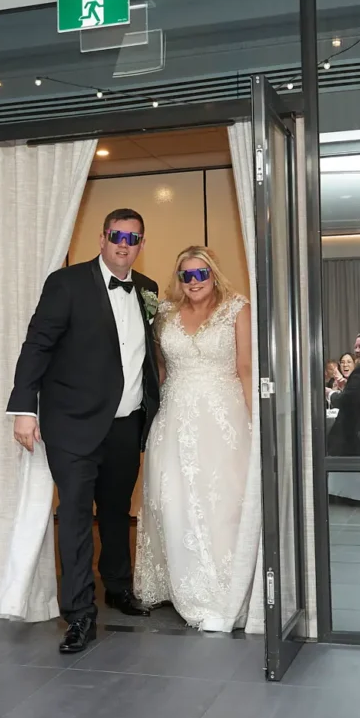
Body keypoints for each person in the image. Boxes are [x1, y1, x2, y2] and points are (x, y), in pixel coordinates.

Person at [7, 208, 160, 654]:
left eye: (133, 238)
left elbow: (147, 358)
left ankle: (117, 586)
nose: (123, 244)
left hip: (127, 423)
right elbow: (37, 344)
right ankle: (79, 614)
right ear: (102, 237)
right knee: (75, 514)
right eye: (117, 235)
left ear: (141, 244)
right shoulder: (67, 283)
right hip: (72, 423)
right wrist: (23, 408)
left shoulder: (147, 290)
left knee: (115, 511)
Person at [135, 246, 256, 631]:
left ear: (214, 274)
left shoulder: (237, 309)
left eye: (201, 274)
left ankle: (222, 589)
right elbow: (159, 370)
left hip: (222, 420)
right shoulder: (165, 313)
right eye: (186, 275)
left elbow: (246, 369)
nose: (194, 282)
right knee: (172, 501)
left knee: (219, 502)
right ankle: (178, 583)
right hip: (173, 420)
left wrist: (257, 424)